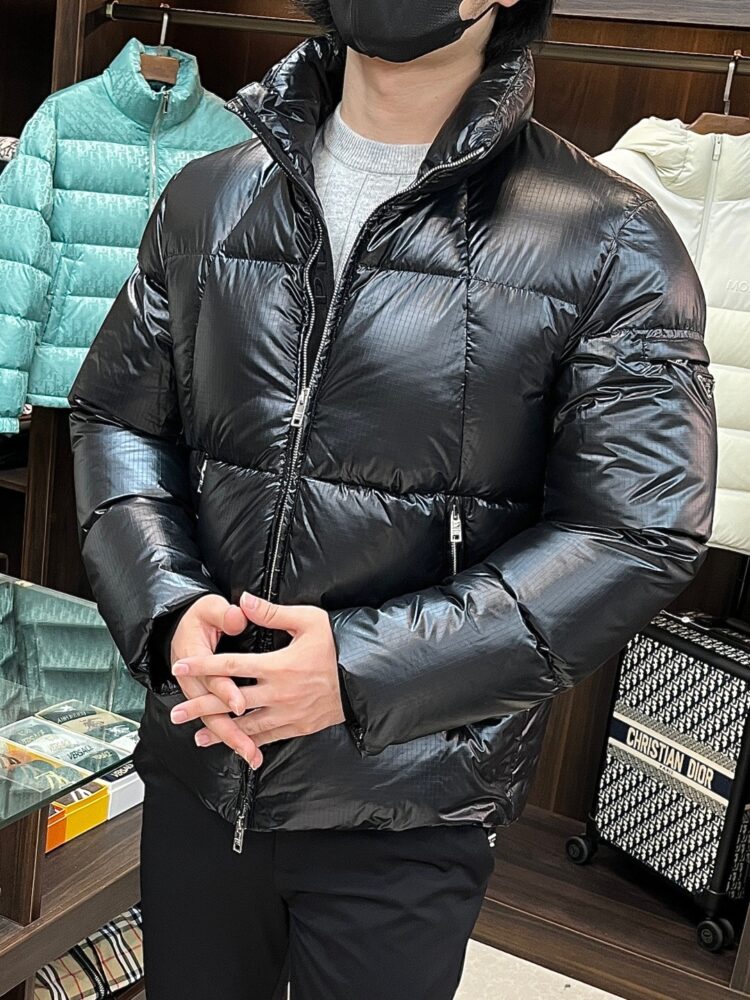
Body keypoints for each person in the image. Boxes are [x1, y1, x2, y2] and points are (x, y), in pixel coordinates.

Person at [67, 1, 718, 998]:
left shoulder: (608, 240)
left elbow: (637, 526)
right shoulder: (209, 195)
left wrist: (363, 669)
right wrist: (166, 608)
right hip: (201, 753)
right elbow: (118, 417)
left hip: (410, 799)